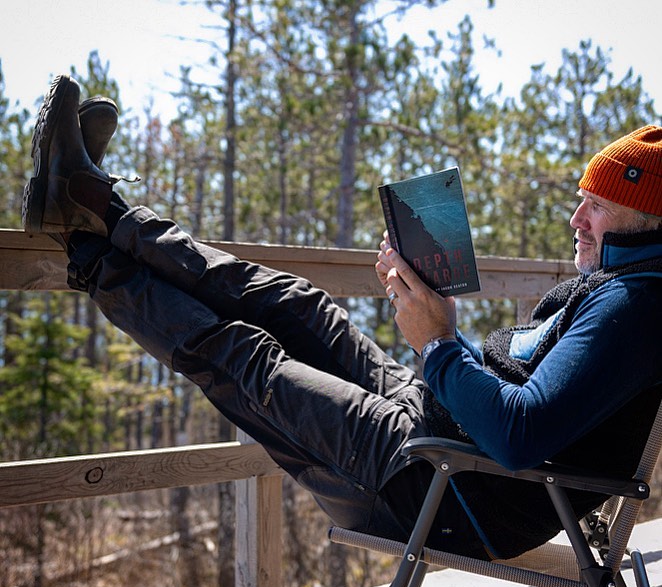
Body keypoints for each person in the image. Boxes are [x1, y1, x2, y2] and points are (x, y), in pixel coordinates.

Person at [23, 75, 662, 561]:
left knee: (246, 358)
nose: (576, 221)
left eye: (598, 207)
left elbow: (520, 436)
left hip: (444, 485)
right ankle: (103, 207)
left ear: (647, 222)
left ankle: (83, 242)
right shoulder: (623, 288)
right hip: (440, 430)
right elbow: (527, 395)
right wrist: (433, 319)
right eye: (580, 201)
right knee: (304, 308)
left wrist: (438, 343)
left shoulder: (635, 308)